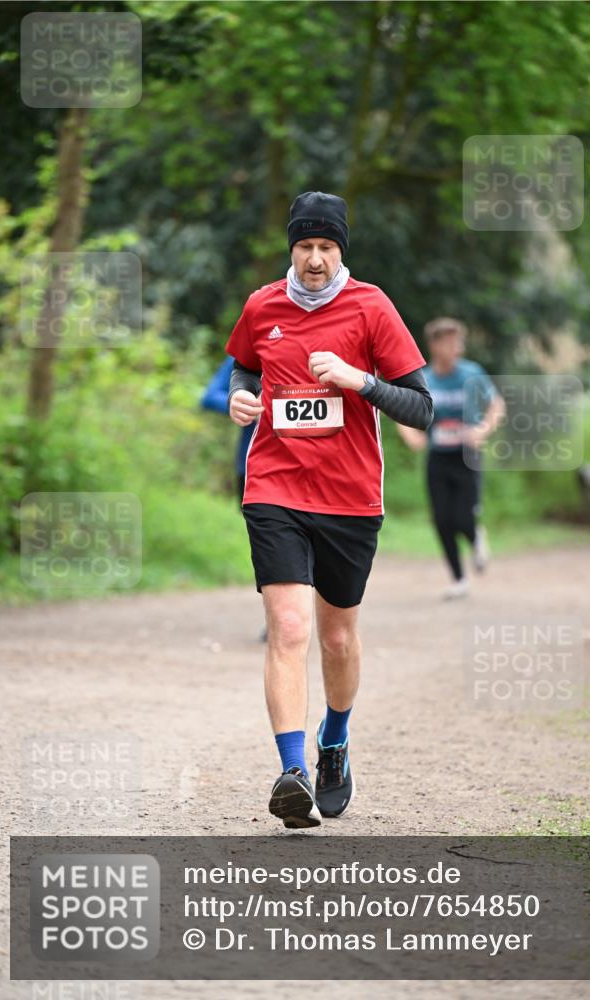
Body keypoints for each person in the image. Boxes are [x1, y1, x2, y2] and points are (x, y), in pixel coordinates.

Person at [226, 191, 433, 829]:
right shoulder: (263, 306)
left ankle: (334, 742)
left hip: (349, 498)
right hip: (274, 487)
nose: (315, 260)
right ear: (290, 247)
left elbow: (422, 407)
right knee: (288, 628)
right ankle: (291, 773)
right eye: (305, 246)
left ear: (341, 249)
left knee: (336, 636)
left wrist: (359, 380)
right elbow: (241, 370)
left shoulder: (371, 307)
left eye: (326, 247)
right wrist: (241, 399)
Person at [397, 317, 505, 599]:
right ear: (434, 345)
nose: (456, 346)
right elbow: (403, 410)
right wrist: (411, 435)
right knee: (442, 519)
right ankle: (458, 579)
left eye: (458, 340)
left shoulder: (472, 373)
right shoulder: (426, 379)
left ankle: (475, 536)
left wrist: (483, 429)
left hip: (468, 456)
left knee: (462, 515)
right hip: (438, 458)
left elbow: (496, 405)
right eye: (448, 341)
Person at [200, 355, 254, 504]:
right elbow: (210, 397)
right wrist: (247, 405)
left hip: (310, 463)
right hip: (252, 466)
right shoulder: (250, 353)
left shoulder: (319, 353)